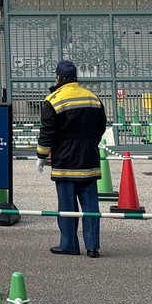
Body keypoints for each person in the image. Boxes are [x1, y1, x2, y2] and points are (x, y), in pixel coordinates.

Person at [38, 60, 108, 257]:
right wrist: (90, 142)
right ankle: (92, 246)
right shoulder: (92, 97)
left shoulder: (53, 100)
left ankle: (69, 244)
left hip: (65, 163)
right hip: (89, 160)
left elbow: (47, 132)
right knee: (91, 206)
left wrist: (41, 155)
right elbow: (101, 126)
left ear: (59, 78)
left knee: (67, 206)